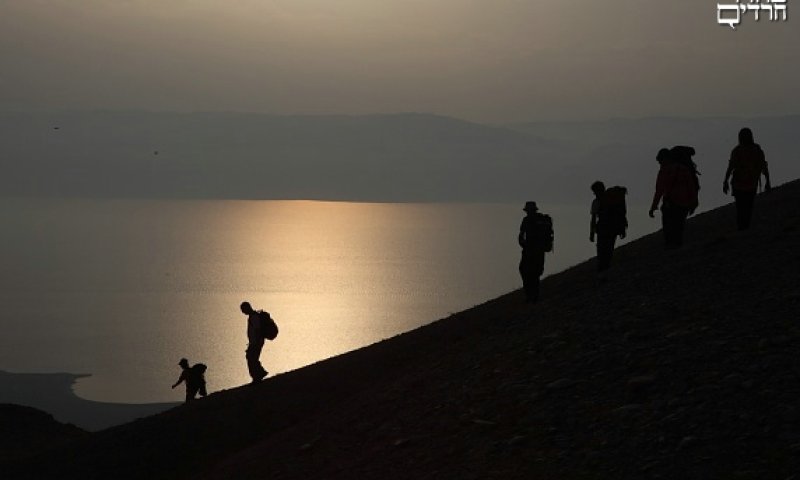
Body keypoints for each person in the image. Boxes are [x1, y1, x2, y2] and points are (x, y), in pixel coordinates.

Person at [649, 146, 700, 249]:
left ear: (664, 159)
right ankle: (677, 247)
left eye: (660, 161)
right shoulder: (683, 169)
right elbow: (691, 187)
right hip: (684, 204)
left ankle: (671, 248)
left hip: (670, 203)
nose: (660, 164)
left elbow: (659, 191)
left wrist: (653, 206)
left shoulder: (664, 171)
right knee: (679, 226)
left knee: (668, 227)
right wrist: (693, 202)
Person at [723, 127, 771, 230]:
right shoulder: (757, 150)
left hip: (738, 185)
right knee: (748, 207)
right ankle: (746, 228)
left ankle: (741, 228)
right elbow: (764, 166)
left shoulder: (737, 151)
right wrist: (768, 181)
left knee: (740, 208)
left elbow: (731, 167)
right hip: (751, 184)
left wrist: (725, 181)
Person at [518, 201, 553, 303]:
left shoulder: (527, 220)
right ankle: (534, 296)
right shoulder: (542, 220)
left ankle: (531, 296)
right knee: (535, 273)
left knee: (526, 271)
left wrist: (523, 244)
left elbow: (521, 235)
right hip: (539, 250)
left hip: (530, 250)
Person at [590, 181, 628, 275]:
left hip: (603, 229)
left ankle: (602, 271)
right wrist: (622, 229)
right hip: (613, 229)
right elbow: (621, 214)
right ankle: (606, 269)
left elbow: (593, 218)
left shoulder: (597, 202)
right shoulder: (613, 199)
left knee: (601, 251)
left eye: (594, 191)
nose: (594, 194)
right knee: (609, 250)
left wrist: (591, 233)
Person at [240, 301, 268, 383]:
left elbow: (257, 330)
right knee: (252, 358)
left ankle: (257, 376)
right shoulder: (252, 316)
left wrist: (255, 342)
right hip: (255, 342)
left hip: (256, 342)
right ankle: (259, 374)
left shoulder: (254, 317)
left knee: (251, 358)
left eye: (243, 309)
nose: (243, 312)